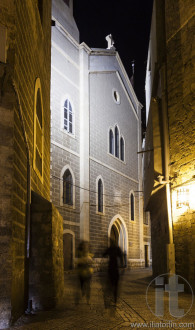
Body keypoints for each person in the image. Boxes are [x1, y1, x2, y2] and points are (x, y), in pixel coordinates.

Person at [103, 239, 124, 305]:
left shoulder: (110, 248)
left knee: (110, 284)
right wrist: (122, 265)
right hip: (115, 268)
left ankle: (111, 297)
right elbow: (121, 257)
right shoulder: (117, 249)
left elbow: (104, 254)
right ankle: (115, 299)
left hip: (110, 268)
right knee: (116, 285)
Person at [75, 240, 93, 305]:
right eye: (84, 245)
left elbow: (91, 261)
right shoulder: (79, 252)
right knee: (82, 286)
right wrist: (82, 260)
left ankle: (88, 300)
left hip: (88, 273)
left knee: (88, 286)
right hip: (81, 273)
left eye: (86, 245)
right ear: (82, 246)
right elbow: (77, 261)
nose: (85, 246)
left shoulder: (90, 253)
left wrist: (89, 260)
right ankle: (83, 291)